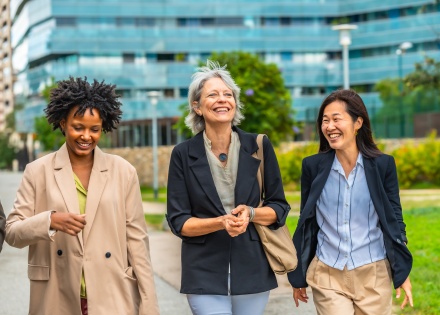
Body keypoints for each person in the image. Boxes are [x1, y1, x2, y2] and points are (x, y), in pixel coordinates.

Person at [6, 77, 159, 315]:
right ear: (63, 123)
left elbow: (137, 243)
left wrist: (149, 306)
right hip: (56, 294)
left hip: (112, 294)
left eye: (94, 129)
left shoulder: (123, 171)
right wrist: (49, 221)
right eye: (78, 127)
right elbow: (12, 233)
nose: (86, 136)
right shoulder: (37, 171)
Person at [166, 60, 290, 315]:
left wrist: (251, 214)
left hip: (253, 266)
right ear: (197, 107)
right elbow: (179, 222)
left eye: (228, 94)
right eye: (213, 94)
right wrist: (221, 222)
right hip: (203, 270)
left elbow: (279, 207)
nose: (222, 99)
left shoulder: (259, 145)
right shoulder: (182, 154)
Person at [287, 89, 413, 314]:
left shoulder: (382, 165)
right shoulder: (312, 167)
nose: (329, 126)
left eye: (337, 119)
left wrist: (403, 272)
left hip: (373, 274)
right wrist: (299, 275)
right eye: (325, 120)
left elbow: (394, 218)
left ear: (358, 123)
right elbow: (307, 221)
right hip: (328, 273)